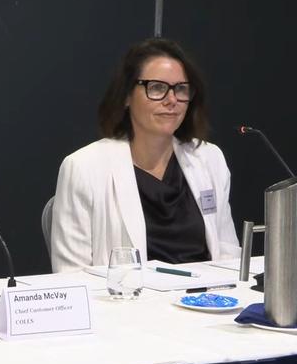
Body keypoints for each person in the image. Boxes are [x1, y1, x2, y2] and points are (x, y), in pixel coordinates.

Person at [51, 37, 240, 272]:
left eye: (181, 89)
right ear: (127, 96)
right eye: (157, 88)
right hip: (128, 305)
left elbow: (229, 257)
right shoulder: (84, 167)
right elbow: (71, 275)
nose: (172, 100)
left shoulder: (210, 158)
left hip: (205, 302)